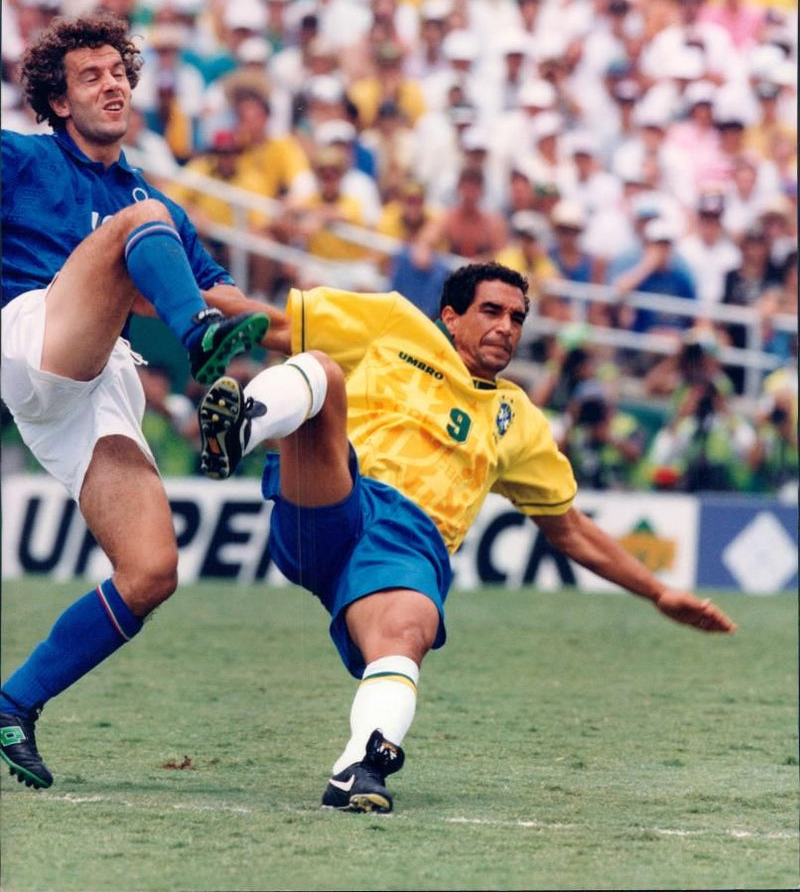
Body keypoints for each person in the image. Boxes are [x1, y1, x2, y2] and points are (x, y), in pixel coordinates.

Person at [195, 261, 736, 814]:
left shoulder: (518, 420)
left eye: (518, 318)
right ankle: (244, 425)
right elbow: (269, 325)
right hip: (334, 497)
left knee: (409, 630)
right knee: (321, 371)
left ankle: (360, 767)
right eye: (492, 311)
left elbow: (570, 528)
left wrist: (658, 592)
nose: (506, 326)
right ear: (450, 317)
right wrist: (163, 291)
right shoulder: (393, 324)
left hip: (406, 547)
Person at [0, 13, 271, 789]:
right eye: (91, 75)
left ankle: (14, 700)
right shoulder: (20, 158)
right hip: (34, 335)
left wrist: (338, 327)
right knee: (140, 226)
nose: (112, 83)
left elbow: (231, 293)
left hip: (98, 377)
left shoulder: (154, 200)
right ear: (56, 103)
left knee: (151, 569)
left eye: (120, 71)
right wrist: (207, 327)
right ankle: (201, 348)